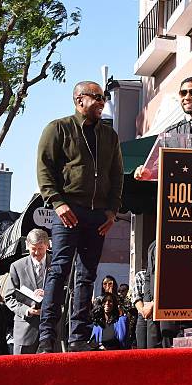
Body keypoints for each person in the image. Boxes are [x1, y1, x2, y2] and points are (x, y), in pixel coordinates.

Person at [36, 80, 123, 353]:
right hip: (68, 211)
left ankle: (78, 338)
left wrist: (112, 211)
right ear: (79, 100)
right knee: (59, 271)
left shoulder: (110, 136)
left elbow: (117, 175)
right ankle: (46, 338)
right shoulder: (58, 128)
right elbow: (44, 169)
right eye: (97, 97)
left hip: (98, 215)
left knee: (86, 276)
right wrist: (57, 202)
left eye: (104, 98)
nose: (102, 102)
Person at [5, 229, 51, 354]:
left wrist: (49, 294)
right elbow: (9, 297)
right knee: (21, 371)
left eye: (40, 248)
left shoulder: (57, 265)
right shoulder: (17, 266)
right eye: (33, 249)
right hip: (25, 330)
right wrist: (26, 310)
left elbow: (68, 291)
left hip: (51, 331)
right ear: (27, 246)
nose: (37, 253)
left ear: (48, 245)